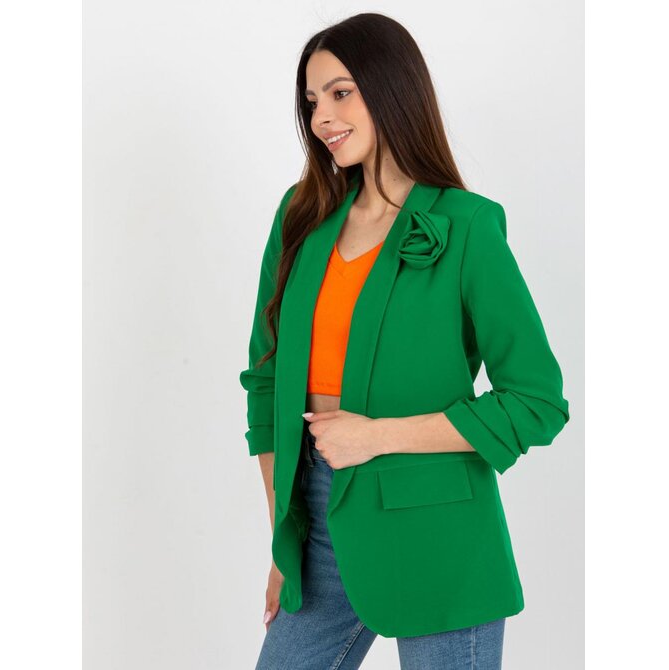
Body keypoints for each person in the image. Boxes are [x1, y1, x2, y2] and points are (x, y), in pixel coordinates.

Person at [239, 12, 569, 670]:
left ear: (391, 89)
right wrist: (283, 541)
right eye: (312, 101)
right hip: (317, 520)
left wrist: (378, 436)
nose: (322, 117)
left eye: (341, 93)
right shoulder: (301, 215)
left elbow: (537, 400)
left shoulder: (466, 226)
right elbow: (266, 381)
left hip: (439, 534)